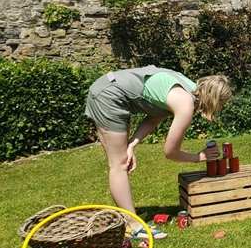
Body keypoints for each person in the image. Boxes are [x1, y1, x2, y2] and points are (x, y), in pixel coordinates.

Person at [85, 66, 232, 238]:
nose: (221, 109)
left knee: (122, 159)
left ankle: (129, 216)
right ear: (214, 99)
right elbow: (170, 152)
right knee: (119, 163)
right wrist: (198, 157)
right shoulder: (185, 105)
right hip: (108, 96)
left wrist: (131, 145)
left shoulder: (186, 89)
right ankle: (133, 226)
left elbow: (153, 118)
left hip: (110, 90)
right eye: (222, 104)